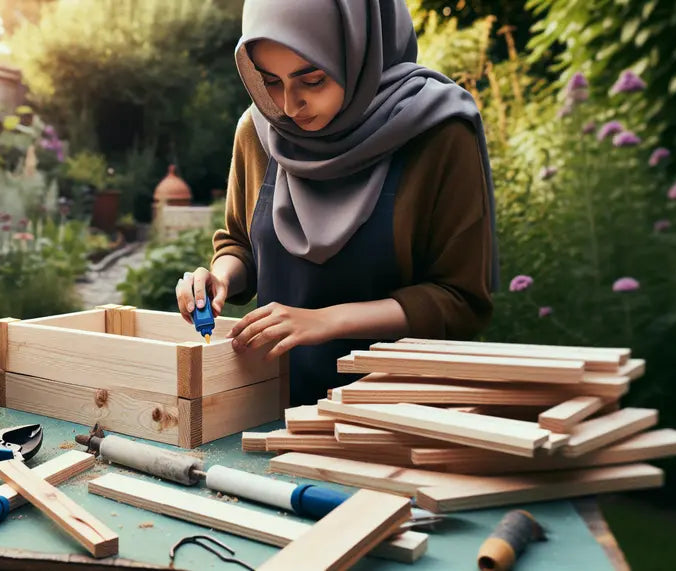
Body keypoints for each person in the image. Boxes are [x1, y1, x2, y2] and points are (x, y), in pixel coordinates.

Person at [175, 0, 499, 406]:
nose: (289, 107)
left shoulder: (438, 134)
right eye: (271, 81)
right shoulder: (259, 130)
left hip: (398, 413)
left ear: (361, 52)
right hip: (270, 407)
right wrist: (221, 277)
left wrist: (326, 320)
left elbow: (461, 300)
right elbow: (240, 245)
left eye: (312, 80)